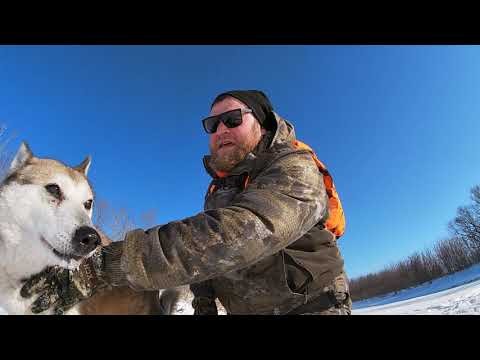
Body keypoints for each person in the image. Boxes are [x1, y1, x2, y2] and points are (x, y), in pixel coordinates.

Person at [22, 90, 351, 315]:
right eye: (212, 124)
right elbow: (209, 267)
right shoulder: (218, 191)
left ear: (262, 124)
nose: (220, 129)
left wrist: (103, 267)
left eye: (233, 119)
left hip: (311, 307)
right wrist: (205, 307)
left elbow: (240, 234)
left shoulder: (294, 166)